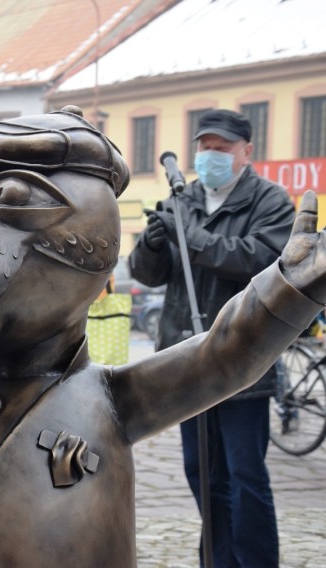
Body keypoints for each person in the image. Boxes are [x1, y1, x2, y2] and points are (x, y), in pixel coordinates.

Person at [129, 109, 294, 567]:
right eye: (204, 148)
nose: (210, 157)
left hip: (245, 357)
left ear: (246, 152)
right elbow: (148, 272)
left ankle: (256, 562)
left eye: (221, 149)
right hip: (189, 360)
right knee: (201, 471)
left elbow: (260, 259)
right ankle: (218, 560)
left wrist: (192, 239)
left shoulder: (271, 200)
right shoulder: (182, 200)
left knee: (245, 474)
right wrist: (154, 242)